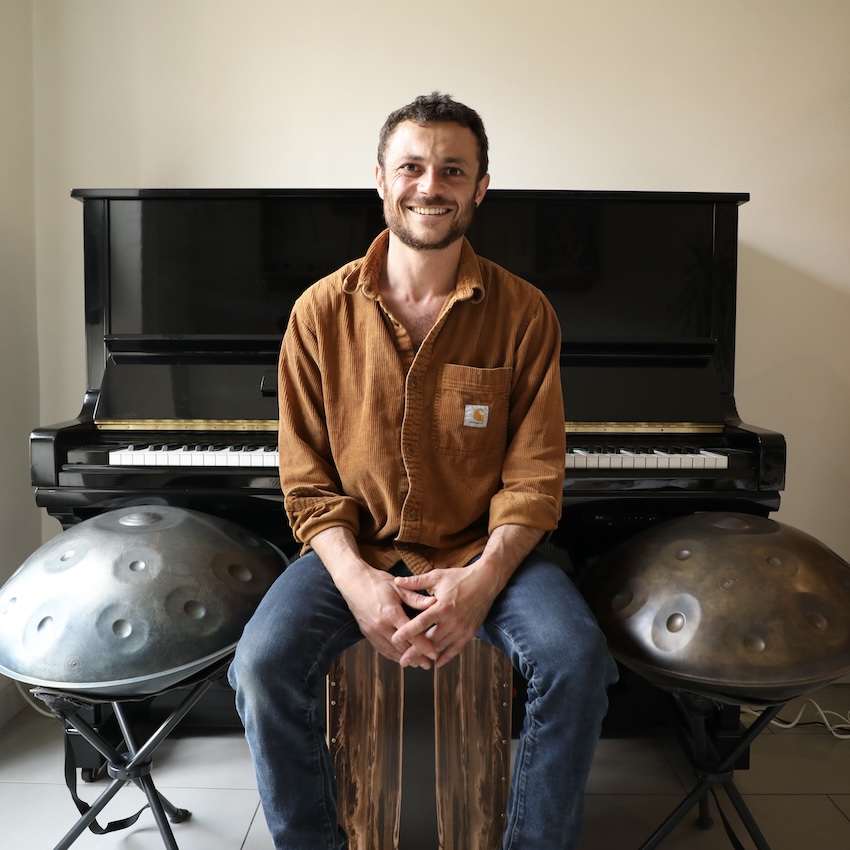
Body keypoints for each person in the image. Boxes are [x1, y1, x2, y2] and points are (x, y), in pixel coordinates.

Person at [229, 92, 618, 850]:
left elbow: (535, 478)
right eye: (412, 166)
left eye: (452, 169)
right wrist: (357, 581)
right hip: (359, 549)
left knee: (577, 661)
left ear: (480, 187)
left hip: (484, 549)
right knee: (262, 666)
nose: (429, 185)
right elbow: (307, 483)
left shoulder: (526, 312)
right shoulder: (317, 313)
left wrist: (481, 583)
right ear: (381, 178)